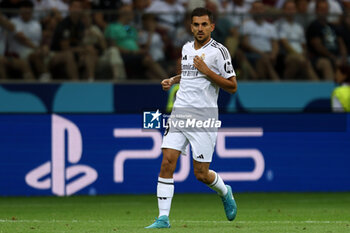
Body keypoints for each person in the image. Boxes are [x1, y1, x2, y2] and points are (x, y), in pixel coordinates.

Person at [145, 7, 238, 229]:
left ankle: (225, 191)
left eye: (204, 24)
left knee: (201, 174)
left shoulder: (219, 51)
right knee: (167, 160)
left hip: (204, 116)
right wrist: (174, 79)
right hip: (180, 112)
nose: (199, 28)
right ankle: (163, 218)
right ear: (191, 26)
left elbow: (232, 86)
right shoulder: (186, 48)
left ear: (212, 27)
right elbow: (189, 75)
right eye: (196, 24)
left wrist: (207, 71)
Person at [275, 0, 319, 80]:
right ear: (284, 10)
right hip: (286, 54)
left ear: (295, 10)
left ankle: (318, 86)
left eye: (293, 9)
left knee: (306, 62)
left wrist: (304, 54)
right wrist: (299, 55)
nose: (291, 11)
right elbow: (285, 44)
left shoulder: (299, 26)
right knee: (297, 60)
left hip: (301, 55)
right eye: (288, 9)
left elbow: (303, 44)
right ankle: (284, 85)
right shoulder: (279, 24)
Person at [306, 0, 347, 80]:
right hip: (319, 58)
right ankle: (329, 89)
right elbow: (318, 46)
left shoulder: (332, 25)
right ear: (316, 11)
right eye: (321, 9)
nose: (324, 12)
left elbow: (340, 41)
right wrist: (332, 57)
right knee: (326, 63)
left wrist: (343, 56)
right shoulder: (314, 26)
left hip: (336, 56)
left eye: (325, 9)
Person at [241, 0, 280, 80]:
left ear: (264, 11)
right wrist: (261, 53)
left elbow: (275, 43)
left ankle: (261, 81)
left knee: (266, 60)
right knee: (263, 60)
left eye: (260, 9)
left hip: (268, 54)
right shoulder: (247, 24)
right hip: (253, 54)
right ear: (252, 11)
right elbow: (245, 43)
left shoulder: (271, 26)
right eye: (256, 9)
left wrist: (274, 54)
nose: (258, 11)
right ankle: (277, 82)